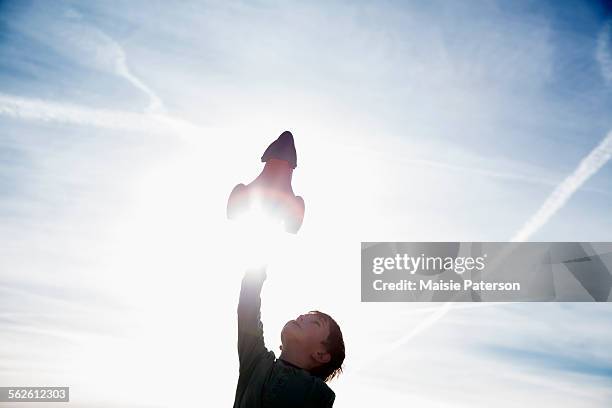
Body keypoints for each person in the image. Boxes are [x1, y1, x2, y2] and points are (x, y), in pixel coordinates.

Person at [233, 267, 345, 408]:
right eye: (304, 315)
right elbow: (248, 309)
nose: (301, 316)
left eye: (316, 323)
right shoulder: (256, 362)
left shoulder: (317, 395)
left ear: (321, 355)